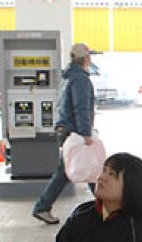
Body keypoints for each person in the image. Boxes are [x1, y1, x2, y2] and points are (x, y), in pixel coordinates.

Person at [32, 43, 96, 225]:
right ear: (85, 58)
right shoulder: (80, 79)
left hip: (66, 129)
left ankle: (42, 207)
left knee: (67, 171)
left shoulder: (68, 77)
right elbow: (81, 107)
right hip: (75, 131)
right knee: (91, 168)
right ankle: (106, 205)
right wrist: (86, 133)